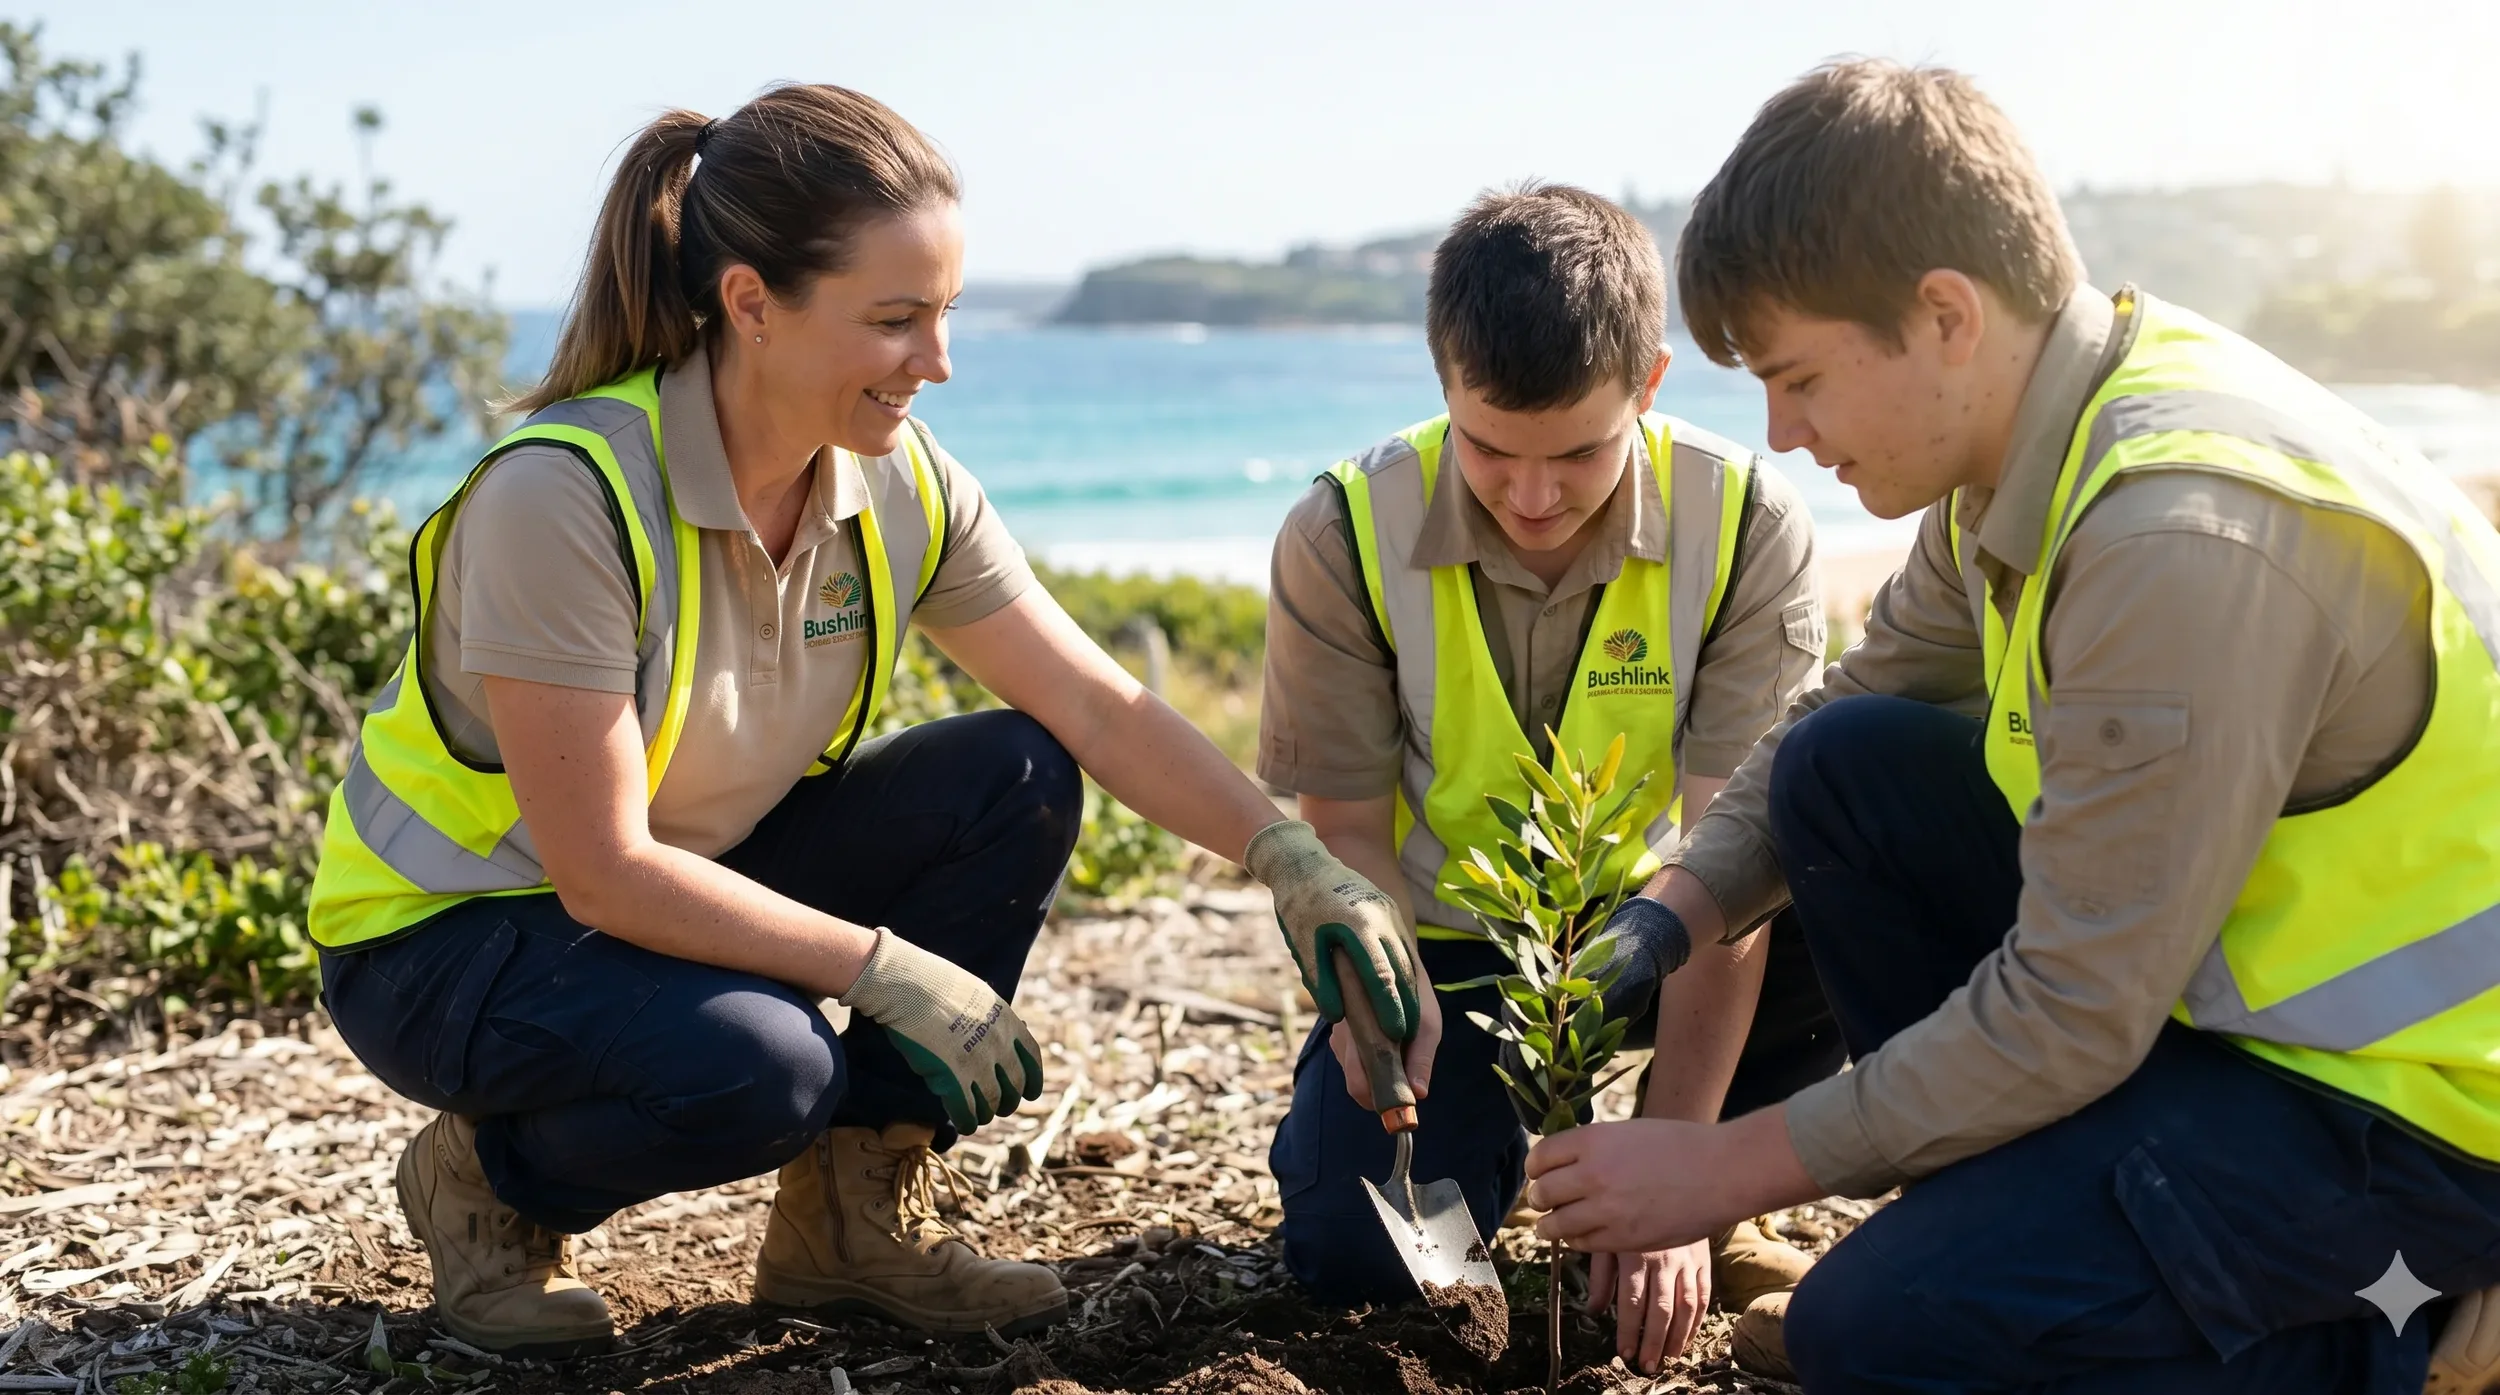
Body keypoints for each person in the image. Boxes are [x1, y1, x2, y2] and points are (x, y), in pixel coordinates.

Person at [305, 85, 1417, 1359]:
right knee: (764, 1073)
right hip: (451, 940)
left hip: (674, 890)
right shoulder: (561, 498)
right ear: (750, 303)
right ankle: (490, 1184)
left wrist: (1290, 860)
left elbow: (1098, 705)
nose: (935, 362)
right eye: (894, 321)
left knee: (1013, 769)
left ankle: (848, 1228)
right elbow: (603, 872)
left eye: (942, 314)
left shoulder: (901, 481)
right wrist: (883, 971)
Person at [1518, 59, 2500, 1394]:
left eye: (1799, 376)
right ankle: (2039, 1233)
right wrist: (1671, 912)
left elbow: (2072, 1007)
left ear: (1944, 316)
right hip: (2234, 1024)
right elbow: (1855, 697)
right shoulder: (2037, 441)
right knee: (1843, 772)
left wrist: (1723, 1168)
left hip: (2423, 1114)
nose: (1782, 433)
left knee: (1881, 1336)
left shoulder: (2176, 539)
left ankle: (2407, 1330)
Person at [1257, 184, 1845, 1376]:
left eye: (1578, 452)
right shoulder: (1339, 534)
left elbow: (1734, 848)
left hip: (1669, 932)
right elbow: (1348, 843)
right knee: (1358, 1257)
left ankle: (1721, 1190)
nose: (1532, 499)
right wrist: (1396, 1014)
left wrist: (1679, 1164)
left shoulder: (1746, 524)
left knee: (1846, 854)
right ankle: (1528, 1163)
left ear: (1651, 384)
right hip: (1451, 959)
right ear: (1441, 387)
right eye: (1487, 450)